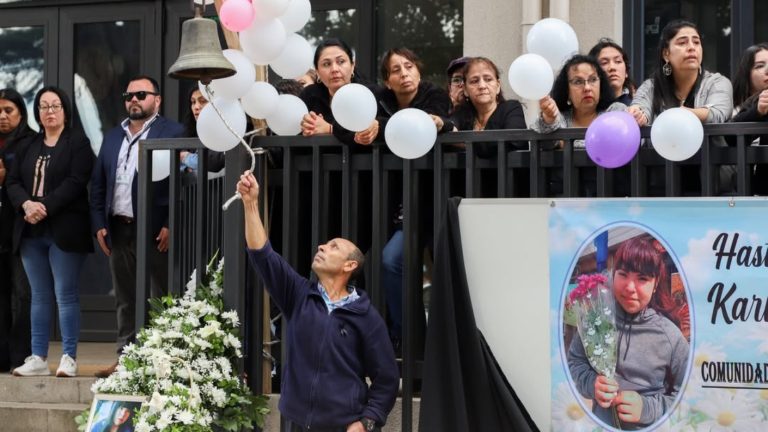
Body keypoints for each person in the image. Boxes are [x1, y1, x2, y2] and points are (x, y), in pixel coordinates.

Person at [239, 170, 398, 432]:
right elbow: (262, 255)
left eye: (334, 246)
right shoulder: (299, 295)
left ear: (350, 265)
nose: (322, 247)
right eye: (324, 244)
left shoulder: (365, 316)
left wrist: (366, 422)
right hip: (295, 422)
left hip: (342, 426)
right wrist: (250, 203)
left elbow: (387, 379)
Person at [90, 75, 185, 377]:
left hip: (155, 228)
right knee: (126, 298)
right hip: (118, 227)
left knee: (162, 295)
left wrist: (171, 222)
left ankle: (165, 361)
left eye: (141, 94)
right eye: (129, 95)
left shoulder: (173, 131)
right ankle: (126, 359)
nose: (134, 100)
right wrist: (99, 224)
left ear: (157, 100)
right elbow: (98, 185)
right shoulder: (112, 136)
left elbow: (179, 183)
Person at [6, 86, 94, 377]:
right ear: (37, 113)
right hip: (31, 231)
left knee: (65, 294)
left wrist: (43, 206)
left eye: (55, 105)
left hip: (65, 230)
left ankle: (69, 356)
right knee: (39, 295)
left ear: (66, 111)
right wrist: (26, 204)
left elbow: (76, 180)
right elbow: (13, 182)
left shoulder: (78, 142)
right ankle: (39, 357)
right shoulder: (29, 144)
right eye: (44, 106)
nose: (50, 111)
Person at [568, 236, 689, 429]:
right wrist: (592, 383)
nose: (630, 288)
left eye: (642, 279)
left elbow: (688, 395)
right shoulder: (596, 319)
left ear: (655, 284)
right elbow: (575, 361)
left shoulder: (670, 336)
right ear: (613, 275)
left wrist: (647, 408)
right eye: (623, 274)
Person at [376, 47, 453, 349]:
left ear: (419, 71)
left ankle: (441, 347)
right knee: (391, 260)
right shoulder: (380, 103)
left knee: (445, 271)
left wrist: (438, 122)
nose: (404, 73)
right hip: (399, 204)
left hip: (436, 201)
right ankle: (407, 338)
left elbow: (443, 122)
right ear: (387, 80)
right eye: (396, 70)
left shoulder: (435, 98)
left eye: (408, 66)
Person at [627, 20, 734, 195]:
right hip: (662, 187)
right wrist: (637, 114)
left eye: (696, 42)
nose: (691, 47)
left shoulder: (717, 82)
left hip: (713, 187)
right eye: (682, 42)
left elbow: (716, 113)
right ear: (666, 54)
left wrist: (679, 114)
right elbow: (640, 107)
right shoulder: (651, 86)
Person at [532, 54, 627, 196]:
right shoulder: (561, 117)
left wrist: (566, 144)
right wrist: (549, 118)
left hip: (610, 198)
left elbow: (617, 145)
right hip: (566, 201)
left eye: (593, 80)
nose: (587, 87)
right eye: (578, 82)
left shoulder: (614, 111)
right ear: (567, 90)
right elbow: (544, 143)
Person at [0, 88, 35, 372]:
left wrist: (5, 179)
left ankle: (19, 356)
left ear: (21, 113)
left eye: (8, 110)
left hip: (21, 232)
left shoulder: (31, 142)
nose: (2, 116)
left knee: (22, 295)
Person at [299, 39, 379, 145]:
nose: (334, 69)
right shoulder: (309, 95)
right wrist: (308, 126)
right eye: (326, 64)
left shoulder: (370, 94)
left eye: (341, 62)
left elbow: (367, 134)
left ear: (352, 65)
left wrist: (330, 129)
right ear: (317, 71)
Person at [731, 43, 768, 194]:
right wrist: (758, 111)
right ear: (746, 73)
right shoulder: (732, 107)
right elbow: (731, 138)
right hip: (747, 195)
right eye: (760, 66)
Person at [179, 88, 225, 176]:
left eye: (203, 101)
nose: (196, 107)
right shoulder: (190, 132)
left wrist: (186, 158)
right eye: (193, 102)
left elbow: (215, 162)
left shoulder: (226, 131)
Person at [588, 38, 636, 105]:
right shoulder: (586, 109)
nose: (612, 67)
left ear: (626, 72)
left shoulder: (636, 109)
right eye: (604, 63)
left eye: (618, 61)